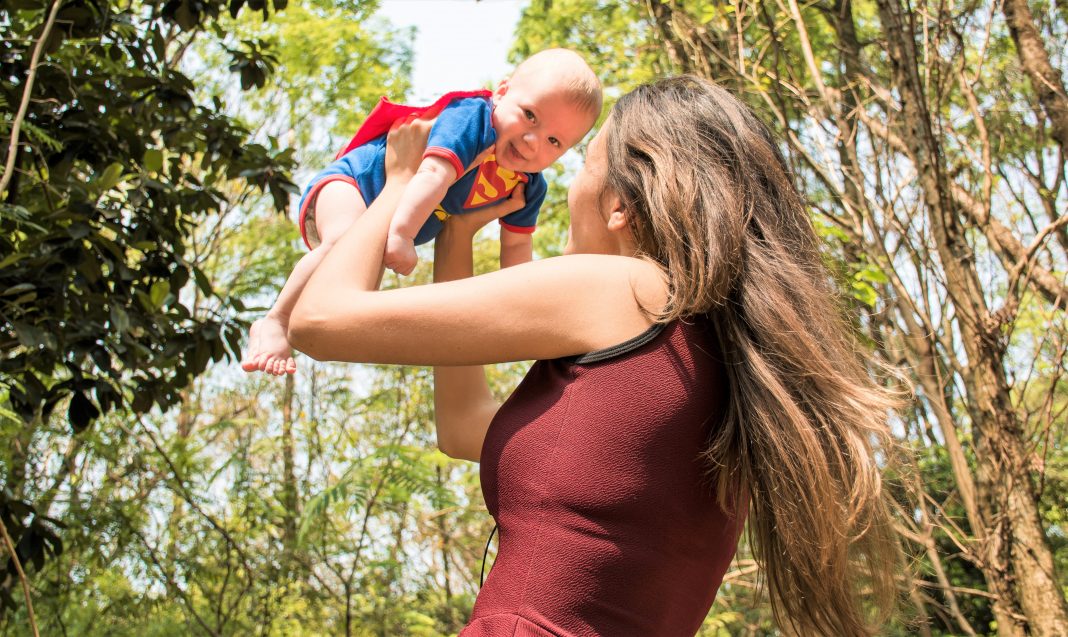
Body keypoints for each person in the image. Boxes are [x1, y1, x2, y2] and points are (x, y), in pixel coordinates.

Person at [287, 76, 902, 636]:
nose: (566, 184)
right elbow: (464, 427)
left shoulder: (625, 290)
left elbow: (320, 321)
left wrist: (398, 183)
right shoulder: (717, 359)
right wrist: (459, 233)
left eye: (582, 163)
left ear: (619, 205)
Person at [242, 48, 602, 376]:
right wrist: (402, 234)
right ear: (502, 92)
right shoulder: (473, 120)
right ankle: (275, 320)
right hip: (355, 183)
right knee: (341, 242)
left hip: (386, 220)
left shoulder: (528, 186)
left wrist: (528, 311)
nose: (532, 141)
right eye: (530, 116)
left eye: (554, 141)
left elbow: (517, 251)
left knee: (355, 290)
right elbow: (432, 174)